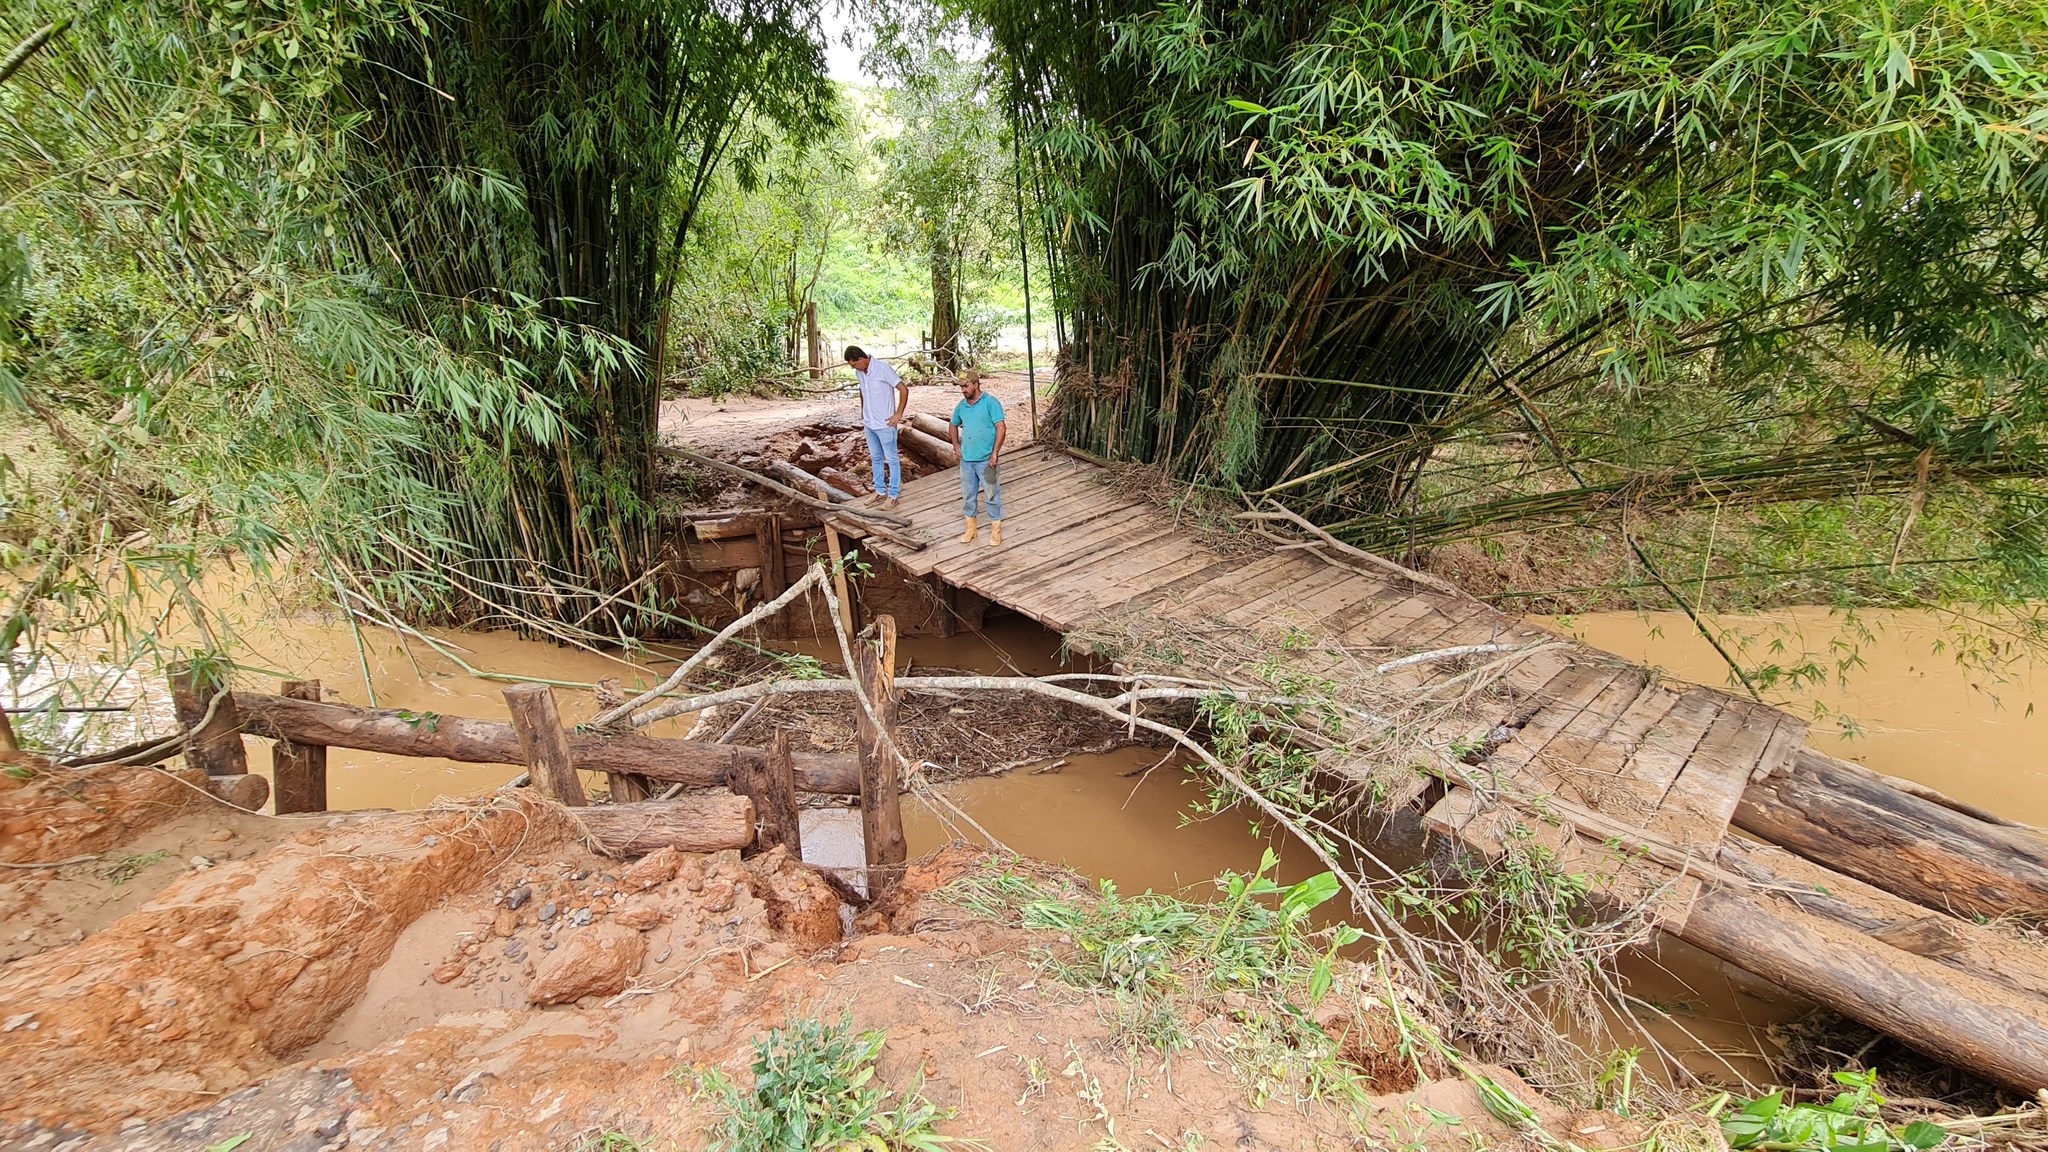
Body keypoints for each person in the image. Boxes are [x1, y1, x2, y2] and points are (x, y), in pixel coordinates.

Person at [948, 369, 1006, 546]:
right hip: (967, 460)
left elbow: (1001, 428)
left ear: (976, 384)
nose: (963, 390)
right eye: (961, 387)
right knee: (968, 495)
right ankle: (971, 529)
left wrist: (995, 452)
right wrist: (956, 445)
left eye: (966, 386)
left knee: (991, 494)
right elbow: (952, 425)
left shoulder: (990, 403)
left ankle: (996, 530)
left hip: (986, 460)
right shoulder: (962, 406)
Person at [846, 345, 908, 509]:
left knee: (892, 459)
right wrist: (863, 410)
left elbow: (903, 389)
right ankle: (880, 491)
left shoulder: (882, 369)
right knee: (876, 458)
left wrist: (898, 414)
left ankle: (893, 495)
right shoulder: (860, 372)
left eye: (853, 364)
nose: (853, 368)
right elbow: (862, 391)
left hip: (885, 423)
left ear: (861, 359)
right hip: (869, 423)